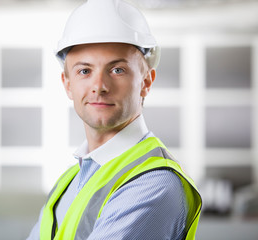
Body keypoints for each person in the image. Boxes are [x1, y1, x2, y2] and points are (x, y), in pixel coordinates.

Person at [27, 0, 202, 239]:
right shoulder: (69, 180)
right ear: (67, 84)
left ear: (146, 82)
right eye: (84, 71)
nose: (99, 86)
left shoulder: (153, 183)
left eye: (117, 70)